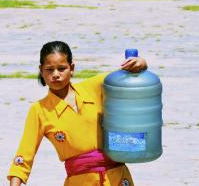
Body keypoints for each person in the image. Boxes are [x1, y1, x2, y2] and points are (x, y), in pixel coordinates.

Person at [8, 41, 148, 186]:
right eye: (49, 69)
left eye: (61, 68)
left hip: (117, 177)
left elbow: (126, 76)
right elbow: (24, 154)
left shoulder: (94, 87)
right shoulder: (39, 110)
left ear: (72, 68)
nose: (56, 75)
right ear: (41, 71)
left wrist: (141, 63)